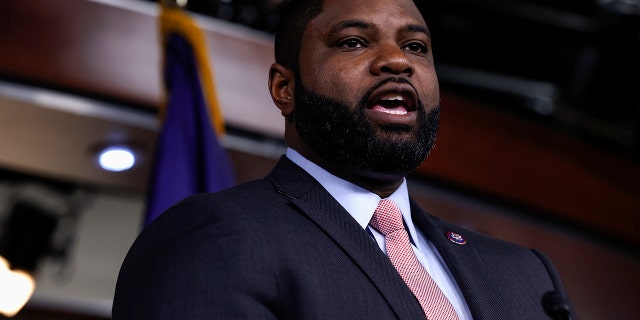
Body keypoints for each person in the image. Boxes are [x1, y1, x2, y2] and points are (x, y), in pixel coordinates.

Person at [112, 0, 576, 319]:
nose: (398, 62)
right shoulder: (214, 237)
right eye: (354, 42)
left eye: (416, 47)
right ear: (284, 88)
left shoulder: (525, 275)